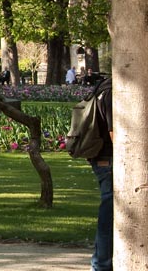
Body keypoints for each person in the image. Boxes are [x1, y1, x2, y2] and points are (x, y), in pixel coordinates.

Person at [88, 78, 113, 271]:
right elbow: (115, 133)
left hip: (104, 157)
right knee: (109, 213)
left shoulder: (103, 86)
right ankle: (101, 265)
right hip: (108, 159)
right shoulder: (113, 92)